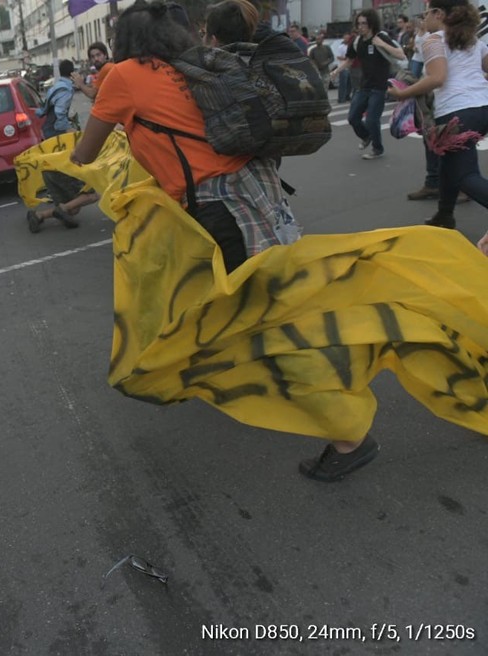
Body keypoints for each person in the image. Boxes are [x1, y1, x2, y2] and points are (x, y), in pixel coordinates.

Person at [73, 1, 380, 484]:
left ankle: (350, 437)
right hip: (257, 188)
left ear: (124, 39)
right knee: (254, 298)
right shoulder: (193, 65)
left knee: (264, 315)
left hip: (220, 205)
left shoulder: (124, 76)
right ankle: (232, 370)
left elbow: (84, 152)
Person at [388, 0, 488, 231]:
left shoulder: (433, 40)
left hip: (457, 113)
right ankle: (444, 215)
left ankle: (444, 214)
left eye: (426, 14)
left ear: (439, 14)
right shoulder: (472, 41)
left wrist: (402, 93)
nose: (424, 20)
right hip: (482, 110)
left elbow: (437, 78)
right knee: (448, 162)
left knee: (466, 176)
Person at [330, 9, 406, 160]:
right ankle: (367, 136)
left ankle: (377, 148)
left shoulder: (381, 37)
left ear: (371, 23)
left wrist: (382, 45)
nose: (361, 26)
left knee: (372, 120)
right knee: (353, 117)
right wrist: (337, 71)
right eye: (358, 23)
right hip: (364, 86)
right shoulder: (357, 41)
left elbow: (400, 54)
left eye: (364, 23)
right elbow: (350, 60)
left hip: (379, 86)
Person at [26, 172, 101, 232]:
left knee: (73, 209)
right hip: (64, 169)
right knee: (94, 194)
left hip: (47, 170)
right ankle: (63, 208)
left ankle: (39, 215)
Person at [36, 59, 77, 139]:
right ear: (72, 73)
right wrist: (67, 128)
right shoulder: (65, 89)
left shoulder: (57, 86)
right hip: (55, 131)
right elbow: (59, 111)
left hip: (49, 128)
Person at [333, 32, 353, 102]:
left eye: (348, 38)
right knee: (343, 83)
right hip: (343, 66)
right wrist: (346, 58)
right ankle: (341, 98)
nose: (347, 39)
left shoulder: (350, 46)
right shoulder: (341, 47)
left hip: (350, 67)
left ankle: (347, 95)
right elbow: (338, 56)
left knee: (349, 83)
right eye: (345, 38)